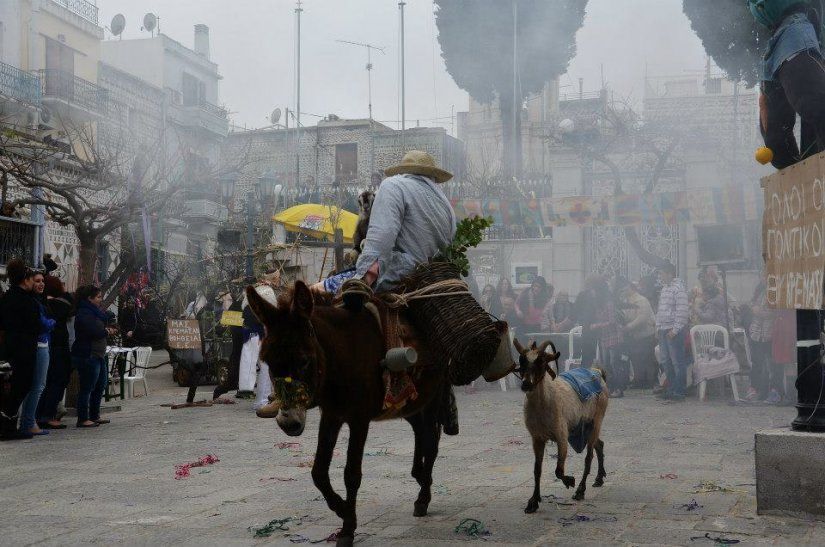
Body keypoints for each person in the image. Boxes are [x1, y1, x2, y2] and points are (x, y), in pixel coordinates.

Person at [311, 150, 456, 295]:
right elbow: (451, 239)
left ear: (404, 170)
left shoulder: (394, 185)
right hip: (436, 273)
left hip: (400, 273)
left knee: (316, 290)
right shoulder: (443, 201)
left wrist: (365, 276)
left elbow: (382, 236)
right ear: (432, 175)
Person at [749, 0, 825, 169]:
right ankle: (802, 178)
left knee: (813, 105)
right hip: (778, 42)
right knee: (776, 147)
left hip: (797, 33)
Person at [0, 260, 40, 440]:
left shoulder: (8, 297)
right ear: (25, 280)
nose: (34, 283)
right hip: (23, 349)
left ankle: (9, 423)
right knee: (21, 385)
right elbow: (34, 325)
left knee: (14, 386)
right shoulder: (25, 301)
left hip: (11, 346)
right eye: (32, 280)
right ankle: (8, 423)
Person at [72, 285, 116, 428]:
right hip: (88, 354)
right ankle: (83, 418)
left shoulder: (95, 312)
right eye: (98, 297)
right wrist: (106, 331)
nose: (100, 300)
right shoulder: (84, 313)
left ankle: (94, 415)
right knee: (87, 387)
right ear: (89, 298)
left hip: (98, 355)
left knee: (100, 385)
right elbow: (94, 331)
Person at [18, 270, 55, 436]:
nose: (41, 284)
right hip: (39, 344)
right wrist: (52, 321)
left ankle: (28, 420)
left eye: (42, 281)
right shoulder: (33, 302)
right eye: (37, 281)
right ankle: (28, 422)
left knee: (36, 386)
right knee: (37, 386)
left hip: (42, 343)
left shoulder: (39, 301)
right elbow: (43, 324)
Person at [37, 276, 74, 429]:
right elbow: (70, 304)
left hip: (50, 345)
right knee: (57, 380)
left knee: (48, 381)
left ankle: (41, 414)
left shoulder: (42, 302)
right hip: (58, 346)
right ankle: (47, 415)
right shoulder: (58, 304)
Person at [655, 263, 690, 402]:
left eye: (662, 273)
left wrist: (675, 330)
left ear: (669, 273)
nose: (660, 276)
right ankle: (670, 389)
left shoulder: (679, 289)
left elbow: (682, 311)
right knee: (665, 361)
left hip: (673, 330)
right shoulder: (664, 289)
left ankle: (679, 391)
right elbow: (660, 310)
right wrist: (658, 327)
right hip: (663, 329)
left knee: (677, 362)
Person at [616, 277, 657, 390]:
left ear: (631, 288)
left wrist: (627, 327)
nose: (623, 291)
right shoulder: (627, 301)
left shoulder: (641, 300)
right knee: (636, 358)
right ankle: (638, 380)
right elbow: (625, 315)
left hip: (645, 334)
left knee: (645, 358)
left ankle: (649, 381)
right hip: (634, 335)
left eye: (625, 289)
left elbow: (642, 318)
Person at [747, 281, 782, 404]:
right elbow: (752, 302)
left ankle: (773, 391)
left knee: (772, 365)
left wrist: (761, 312)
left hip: (770, 332)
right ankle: (755, 389)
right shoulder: (760, 287)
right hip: (756, 332)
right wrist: (754, 308)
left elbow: (778, 311)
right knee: (757, 362)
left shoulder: (778, 289)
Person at [591, 278, 626, 398]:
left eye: (594, 290)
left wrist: (596, 325)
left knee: (614, 362)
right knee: (606, 363)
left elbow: (612, 321)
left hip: (614, 336)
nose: (593, 292)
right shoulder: (597, 304)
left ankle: (619, 388)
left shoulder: (609, 303)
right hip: (604, 337)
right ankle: (610, 387)